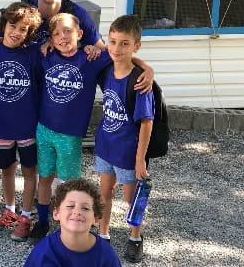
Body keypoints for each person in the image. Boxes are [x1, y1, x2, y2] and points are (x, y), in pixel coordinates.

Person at [28, 13, 154, 245]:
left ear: (80, 34)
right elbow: (20, 46)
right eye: (56, 34)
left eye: (67, 31)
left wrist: (147, 68)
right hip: (43, 129)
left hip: (70, 135)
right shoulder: (46, 56)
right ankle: (44, 221)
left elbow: (121, 55)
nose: (62, 37)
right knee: (44, 177)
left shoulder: (92, 59)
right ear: (51, 39)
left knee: (69, 183)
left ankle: (67, 224)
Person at [0, 2, 42, 242]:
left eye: (23, 29)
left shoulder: (35, 53)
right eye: (13, 25)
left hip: (28, 125)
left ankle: (25, 216)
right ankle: (9, 211)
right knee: (6, 170)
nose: (17, 32)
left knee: (30, 170)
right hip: (1, 124)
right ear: (4, 25)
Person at [94, 14, 154, 263]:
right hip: (106, 147)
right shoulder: (105, 69)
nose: (117, 48)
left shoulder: (140, 82)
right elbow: (92, 46)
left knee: (132, 198)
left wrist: (140, 159)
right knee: (104, 192)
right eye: (113, 41)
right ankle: (103, 234)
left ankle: (135, 237)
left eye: (125, 43)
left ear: (136, 46)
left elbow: (146, 123)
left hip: (128, 153)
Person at [24, 179, 121, 266]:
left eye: (85, 208)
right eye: (70, 206)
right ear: (57, 213)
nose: (77, 212)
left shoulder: (107, 256)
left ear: (95, 219)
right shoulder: (43, 254)